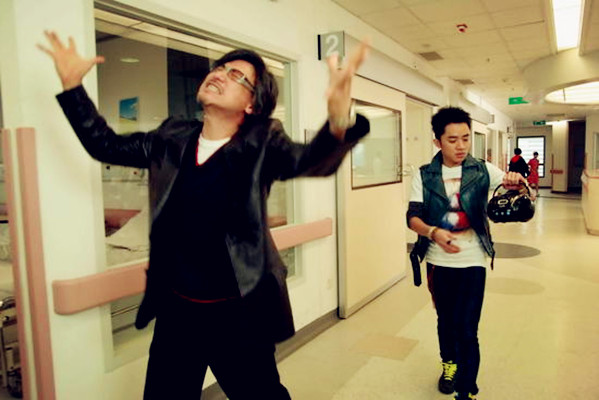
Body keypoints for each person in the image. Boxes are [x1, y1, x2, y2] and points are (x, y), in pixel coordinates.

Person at [39, 30, 370, 399]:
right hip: (177, 311)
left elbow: (308, 160)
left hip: (239, 314)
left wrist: (337, 120)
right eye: (220, 68)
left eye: (236, 75)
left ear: (251, 104)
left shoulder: (261, 142)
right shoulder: (171, 138)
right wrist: (72, 87)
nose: (219, 74)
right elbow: (106, 145)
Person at [407, 107, 525, 400]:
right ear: (437, 141)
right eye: (452, 140)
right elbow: (413, 218)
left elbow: (515, 190)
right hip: (438, 262)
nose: (461, 146)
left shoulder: (482, 170)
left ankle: (467, 391)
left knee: (468, 329)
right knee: (446, 321)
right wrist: (433, 232)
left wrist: (516, 182)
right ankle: (449, 364)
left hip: (473, 261)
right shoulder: (424, 175)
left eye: (465, 138)